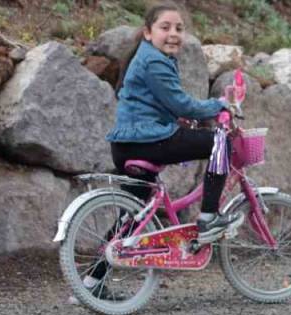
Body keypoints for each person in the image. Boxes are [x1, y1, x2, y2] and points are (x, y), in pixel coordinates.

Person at [85, 3, 236, 299]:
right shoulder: (154, 60)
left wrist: (180, 119)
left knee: (132, 217)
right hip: (149, 141)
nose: (173, 34)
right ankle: (208, 217)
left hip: (127, 145)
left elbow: (157, 104)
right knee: (221, 142)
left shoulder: (148, 57)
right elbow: (180, 103)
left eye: (179, 28)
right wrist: (218, 105)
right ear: (148, 32)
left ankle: (91, 283)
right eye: (165, 27)